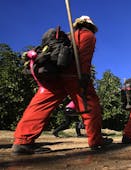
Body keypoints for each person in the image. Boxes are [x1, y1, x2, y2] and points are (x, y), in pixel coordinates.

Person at [12, 15, 112, 155]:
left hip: (55, 74)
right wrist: (84, 76)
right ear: (90, 26)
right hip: (74, 75)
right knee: (90, 105)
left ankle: (22, 141)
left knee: (40, 105)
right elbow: (84, 57)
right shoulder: (87, 35)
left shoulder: (68, 36)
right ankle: (96, 141)